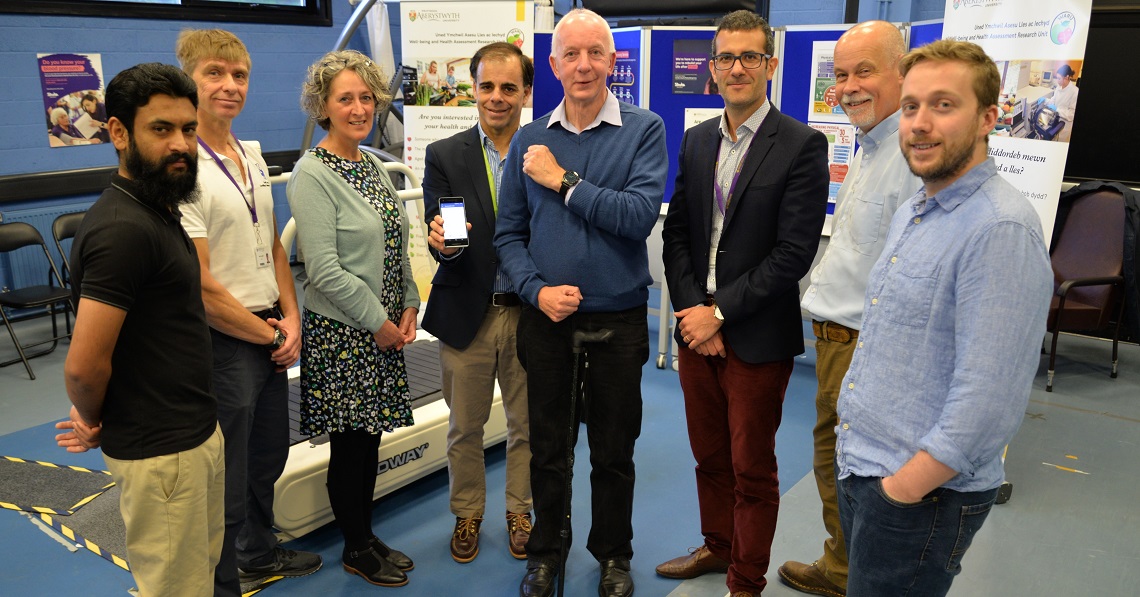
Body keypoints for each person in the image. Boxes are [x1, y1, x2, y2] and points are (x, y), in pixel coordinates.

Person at [835, 39, 1052, 597]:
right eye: (910, 107)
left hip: (921, 498)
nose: (920, 124)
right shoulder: (917, 209)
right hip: (867, 469)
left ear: (988, 118)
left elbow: (989, 401)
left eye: (943, 105)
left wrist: (902, 490)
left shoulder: (999, 229)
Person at [494, 8, 668, 597]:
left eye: (596, 52)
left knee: (614, 450)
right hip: (546, 321)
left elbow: (637, 216)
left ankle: (614, 556)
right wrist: (536, 290)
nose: (585, 64)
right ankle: (546, 555)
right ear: (554, 64)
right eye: (572, 53)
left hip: (618, 320)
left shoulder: (644, 129)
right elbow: (508, 235)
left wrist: (562, 181)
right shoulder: (529, 136)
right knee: (549, 449)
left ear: (613, 62)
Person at [658, 10, 829, 597]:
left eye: (749, 57)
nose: (737, 68)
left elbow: (793, 254)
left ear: (770, 66)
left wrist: (720, 313)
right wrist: (691, 313)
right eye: (726, 58)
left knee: (752, 467)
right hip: (695, 330)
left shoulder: (803, 145)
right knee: (708, 456)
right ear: (712, 68)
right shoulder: (697, 139)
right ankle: (718, 547)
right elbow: (677, 234)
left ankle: (745, 581)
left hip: (754, 335)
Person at [53, 62, 224, 596]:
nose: (181, 144)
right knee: (176, 588)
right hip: (162, 454)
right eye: (161, 129)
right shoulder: (123, 229)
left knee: (196, 576)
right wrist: (95, 417)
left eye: (188, 129)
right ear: (119, 133)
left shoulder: (157, 207)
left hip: (192, 437)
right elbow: (83, 365)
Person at [174, 29, 321, 594]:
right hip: (226, 338)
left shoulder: (250, 155)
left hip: (269, 328)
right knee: (227, 474)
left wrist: (292, 317)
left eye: (239, 75)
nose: (230, 86)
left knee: (268, 454)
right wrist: (264, 330)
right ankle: (221, 581)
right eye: (215, 73)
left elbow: (275, 247)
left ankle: (257, 552)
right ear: (190, 78)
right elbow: (202, 284)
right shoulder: (185, 167)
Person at [778, 21, 921, 597]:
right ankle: (843, 569)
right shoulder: (871, 146)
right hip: (838, 336)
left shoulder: (910, 156)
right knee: (834, 466)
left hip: (867, 342)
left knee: (858, 475)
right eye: (841, 74)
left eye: (865, 71)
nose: (849, 86)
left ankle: (858, 578)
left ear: (902, 72)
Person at [287, 49, 419, 589]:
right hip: (345, 333)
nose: (359, 107)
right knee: (350, 444)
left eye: (367, 97)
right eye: (346, 98)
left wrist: (410, 303)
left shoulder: (369, 164)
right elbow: (323, 270)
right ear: (323, 105)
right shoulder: (311, 174)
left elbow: (397, 240)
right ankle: (355, 546)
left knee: (370, 440)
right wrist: (378, 322)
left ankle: (364, 534)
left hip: (384, 328)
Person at [421, 41, 535, 564]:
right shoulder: (445, 155)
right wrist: (436, 240)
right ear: (474, 89)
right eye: (487, 86)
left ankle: (520, 510)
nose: (496, 97)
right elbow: (440, 230)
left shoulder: (544, 153)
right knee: (464, 427)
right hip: (466, 311)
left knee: (526, 425)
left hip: (528, 313)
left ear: (526, 93)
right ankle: (467, 513)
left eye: (508, 87)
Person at [1052, 64, 1078, 142]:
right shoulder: (1058, 87)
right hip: (1055, 121)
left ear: (1066, 77)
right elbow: (1054, 100)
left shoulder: (1075, 92)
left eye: (1059, 78)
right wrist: (1045, 101)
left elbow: (1071, 115)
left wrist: (1057, 109)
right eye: (1057, 78)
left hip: (1065, 125)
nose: (1057, 81)